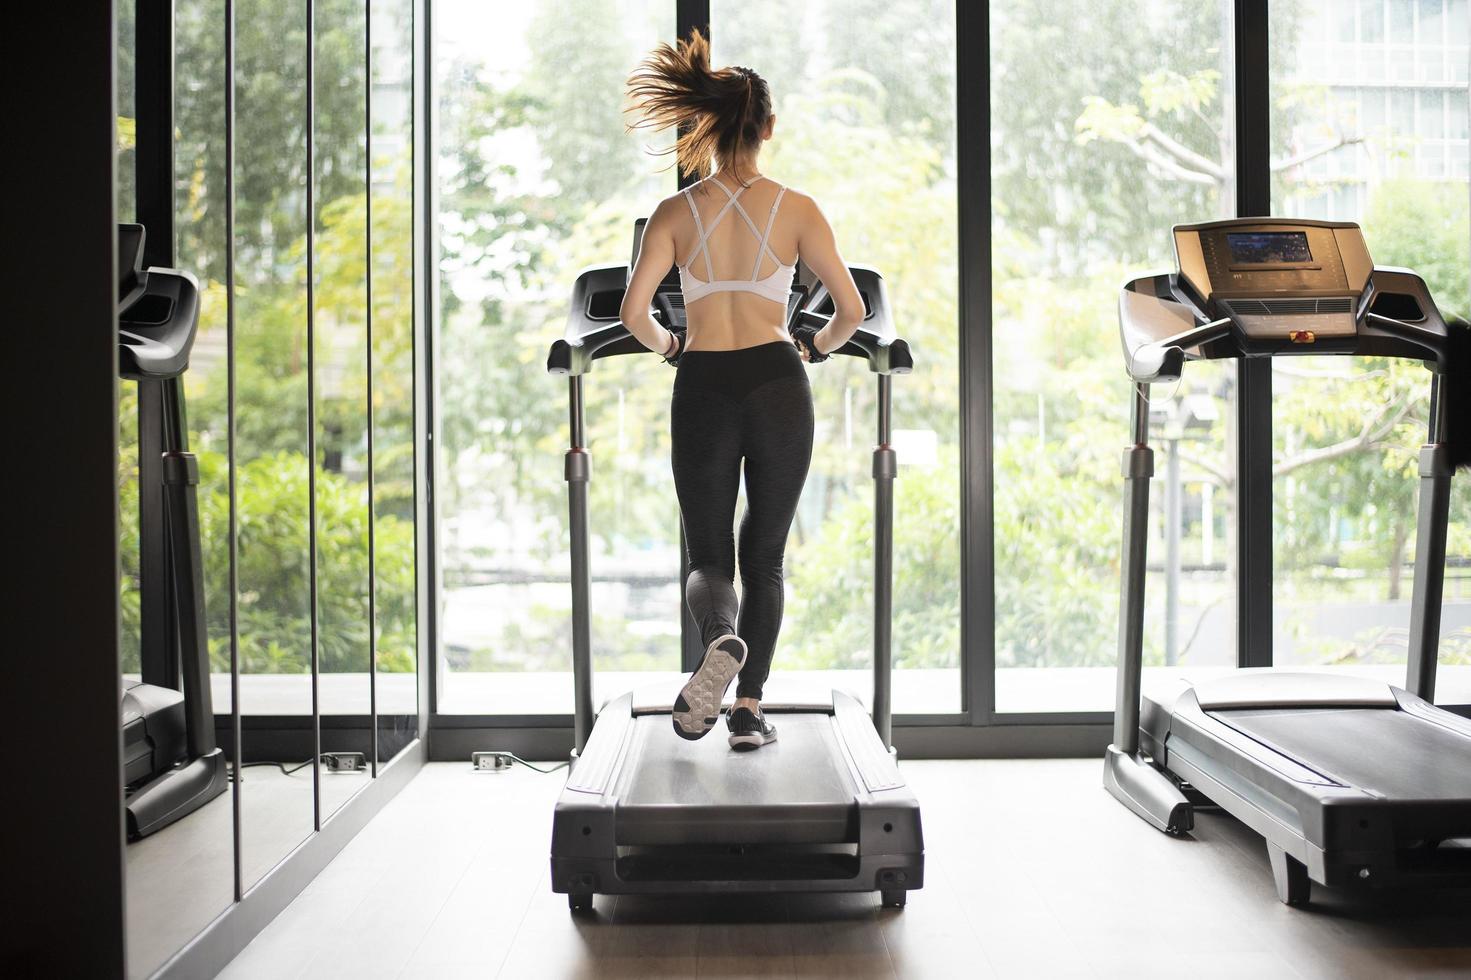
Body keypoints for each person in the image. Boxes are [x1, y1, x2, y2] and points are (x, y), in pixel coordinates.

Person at [619, 29, 867, 750]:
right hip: (775, 380)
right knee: (764, 557)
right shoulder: (797, 209)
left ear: (709, 123)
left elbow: (636, 317)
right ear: (767, 127)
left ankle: (719, 639)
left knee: (707, 558)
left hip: (702, 382)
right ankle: (749, 708)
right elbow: (850, 313)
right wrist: (812, 346)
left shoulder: (675, 212)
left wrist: (671, 345)